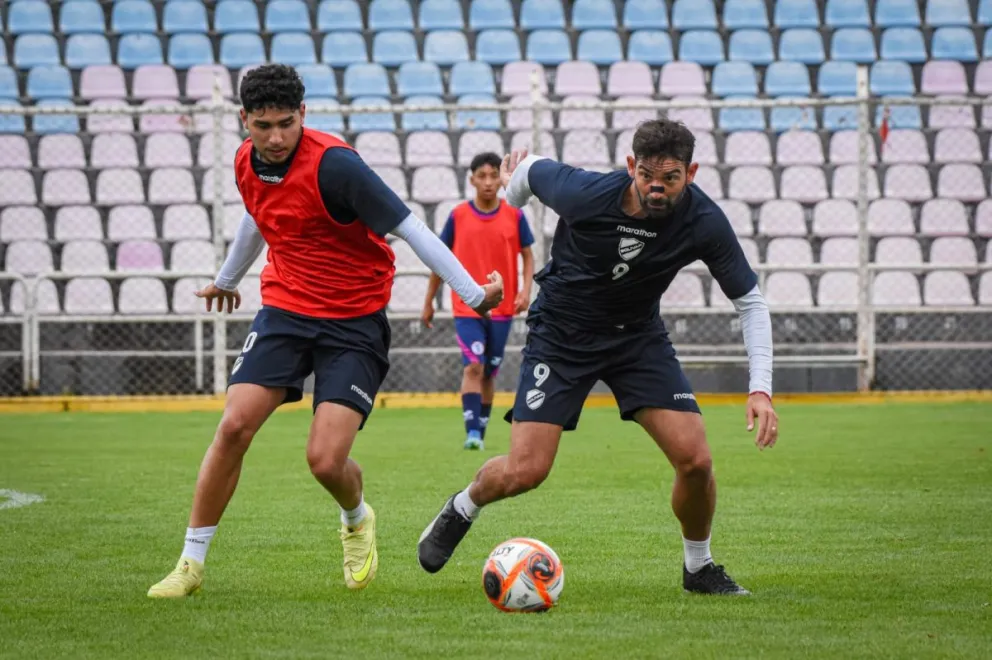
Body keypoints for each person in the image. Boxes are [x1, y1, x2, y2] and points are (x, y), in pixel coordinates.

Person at [147, 64, 503, 598]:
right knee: (234, 426)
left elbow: (413, 229)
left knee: (324, 460)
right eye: (262, 124)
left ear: (303, 115)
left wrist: (474, 294)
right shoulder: (246, 159)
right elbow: (257, 214)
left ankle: (357, 517)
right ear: (244, 119)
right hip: (285, 312)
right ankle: (190, 564)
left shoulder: (337, 167)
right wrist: (227, 279)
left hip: (353, 322)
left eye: (285, 124)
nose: (274, 137)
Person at [417, 119, 779, 596]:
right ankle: (463, 506)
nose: (656, 186)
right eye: (647, 174)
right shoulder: (583, 192)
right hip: (562, 336)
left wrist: (760, 389)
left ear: (691, 173)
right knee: (527, 470)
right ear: (630, 166)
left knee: (695, 460)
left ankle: (699, 567)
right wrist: (512, 192)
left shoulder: (704, 221)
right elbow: (528, 171)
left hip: (637, 338)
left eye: (670, 178)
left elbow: (750, 301)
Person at [421, 152, 536, 451]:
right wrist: (429, 300)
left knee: (489, 371)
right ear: (471, 179)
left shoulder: (515, 215)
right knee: (473, 366)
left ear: (501, 179)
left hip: (503, 306)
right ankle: (471, 433)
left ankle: (479, 433)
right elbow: (438, 259)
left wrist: (525, 290)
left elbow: (527, 253)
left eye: (493, 175)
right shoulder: (458, 216)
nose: (488, 182)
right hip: (467, 306)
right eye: (481, 176)